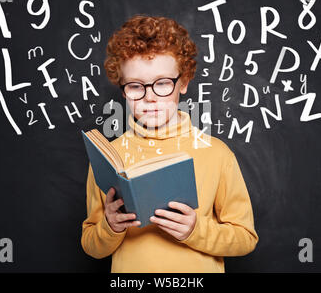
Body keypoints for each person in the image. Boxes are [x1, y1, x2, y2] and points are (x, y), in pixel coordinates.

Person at [81, 14, 258, 272]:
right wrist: (110, 226)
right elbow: (91, 245)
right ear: (123, 90)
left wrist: (196, 230)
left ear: (183, 82)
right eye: (135, 86)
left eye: (163, 83)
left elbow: (246, 238)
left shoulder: (217, 154)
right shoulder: (109, 156)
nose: (150, 98)